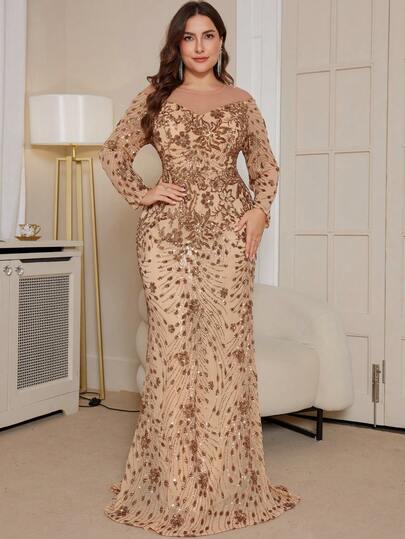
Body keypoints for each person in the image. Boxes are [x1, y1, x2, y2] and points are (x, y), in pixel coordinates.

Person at [99, 1, 301, 535]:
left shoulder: (242, 102)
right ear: (177, 45)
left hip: (228, 237)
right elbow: (114, 153)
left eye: (208, 35)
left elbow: (265, 167)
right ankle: (174, 486)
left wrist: (259, 211)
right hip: (165, 240)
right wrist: (145, 193)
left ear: (221, 41)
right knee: (170, 354)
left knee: (224, 353)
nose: (199, 46)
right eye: (188, 37)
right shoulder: (155, 96)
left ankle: (226, 483)